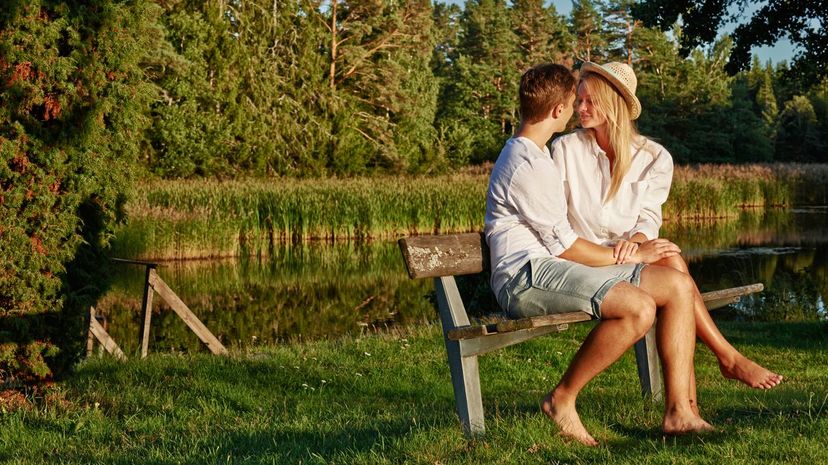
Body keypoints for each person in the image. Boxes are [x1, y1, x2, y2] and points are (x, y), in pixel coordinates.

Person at [485, 62, 713, 446]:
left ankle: (680, 414)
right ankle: (562, 399)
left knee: (676, 284)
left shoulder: (537, 155)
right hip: (524, 275)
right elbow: (566, 246)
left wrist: (635, 248)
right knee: (639, 308)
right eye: (575, 102)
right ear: (558, 111)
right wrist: (636, 255)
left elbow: (565, 244)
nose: (577, 109)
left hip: (550, 267)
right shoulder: (527, 164)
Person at [550, 61, 783, 394]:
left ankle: (689, 402)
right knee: (674, 269)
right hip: (586, 262)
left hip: (630, 257)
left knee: (671, 256)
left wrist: (637, 241)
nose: (580, 108)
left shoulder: (654, 157)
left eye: (589, 101)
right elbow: (557, 220)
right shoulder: (566, 150)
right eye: (579, 100)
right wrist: (626, 252)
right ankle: (721, 363)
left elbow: (648, 215)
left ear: (614, 104)